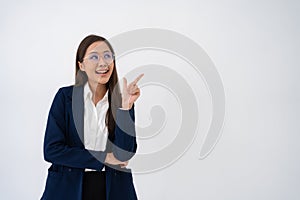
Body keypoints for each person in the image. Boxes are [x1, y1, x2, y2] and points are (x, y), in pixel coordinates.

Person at [41, 34, 143, 200]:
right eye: (94, 56)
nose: (103, 62)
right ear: (81, 65)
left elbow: (124, 155)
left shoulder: (121, 100)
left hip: (113, 189)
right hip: (67, 188)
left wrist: (126, 108)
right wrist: (103, 157)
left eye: (107, 56)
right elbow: (52, 150)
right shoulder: (65, 98)